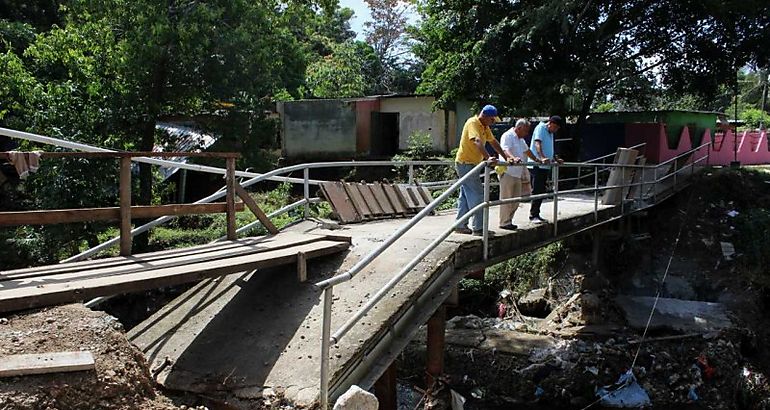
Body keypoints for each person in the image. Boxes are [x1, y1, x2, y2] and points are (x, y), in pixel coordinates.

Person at [454, 105, 511, 236]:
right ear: (484, 116)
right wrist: (488, 157)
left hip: (472, 164)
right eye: (491, 120)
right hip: (465, 163)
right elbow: (477, 141)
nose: (493, 122)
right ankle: (478, 228)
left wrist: (506, 156)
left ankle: (460, 225)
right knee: (478, 195)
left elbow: (494, 142)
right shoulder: (472, 123)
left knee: (465, 195)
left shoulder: (484, 127)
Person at [497, 119, 541, 230]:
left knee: (515, 200)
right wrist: (512, 158)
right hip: (507, 171)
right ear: (519, 128)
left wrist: (536, 159)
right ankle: (504, 222)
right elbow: (505, 149)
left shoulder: (521, 140)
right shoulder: (508, 136)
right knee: (506, 198)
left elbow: (527, 151)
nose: (527, 134)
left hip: (517, 173)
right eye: (525, 131)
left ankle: (509, 221)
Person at [528, 115, 564, 224]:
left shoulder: (550, 133)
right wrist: (542, 157)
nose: (556, 130)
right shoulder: (541, 128)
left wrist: (556, 158)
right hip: (537, 165)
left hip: (545, 166)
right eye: (556, 127)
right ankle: (533, 215)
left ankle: (536, 213)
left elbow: (550, 148)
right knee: (537, 189)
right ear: (551, 123)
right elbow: (537, 143)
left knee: (541, 189)